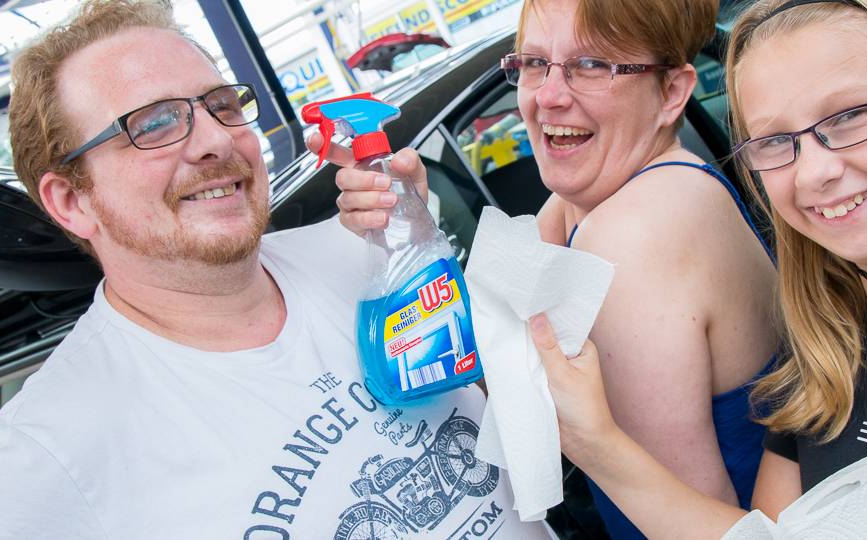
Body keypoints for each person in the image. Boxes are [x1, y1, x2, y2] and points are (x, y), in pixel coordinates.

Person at [0, 1, 555, 538]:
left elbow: (511, 410)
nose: (217, 140)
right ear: (71, 201)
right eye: (153, 124)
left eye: (221, 104)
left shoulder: (361, 253)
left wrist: (418, 241)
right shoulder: (47, 446)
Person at [535, 0, 867, 537]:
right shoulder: (824, 351)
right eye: (774, 142)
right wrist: (595, 442)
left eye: (850, 116)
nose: (813, 171)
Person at [331, 0, 779, 536]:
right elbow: (490, 362)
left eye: (592, 65)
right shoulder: (590, 199)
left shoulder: (633, 232)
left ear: (672, 93)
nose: (548, 96)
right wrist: (412, 221)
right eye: (534, 63)